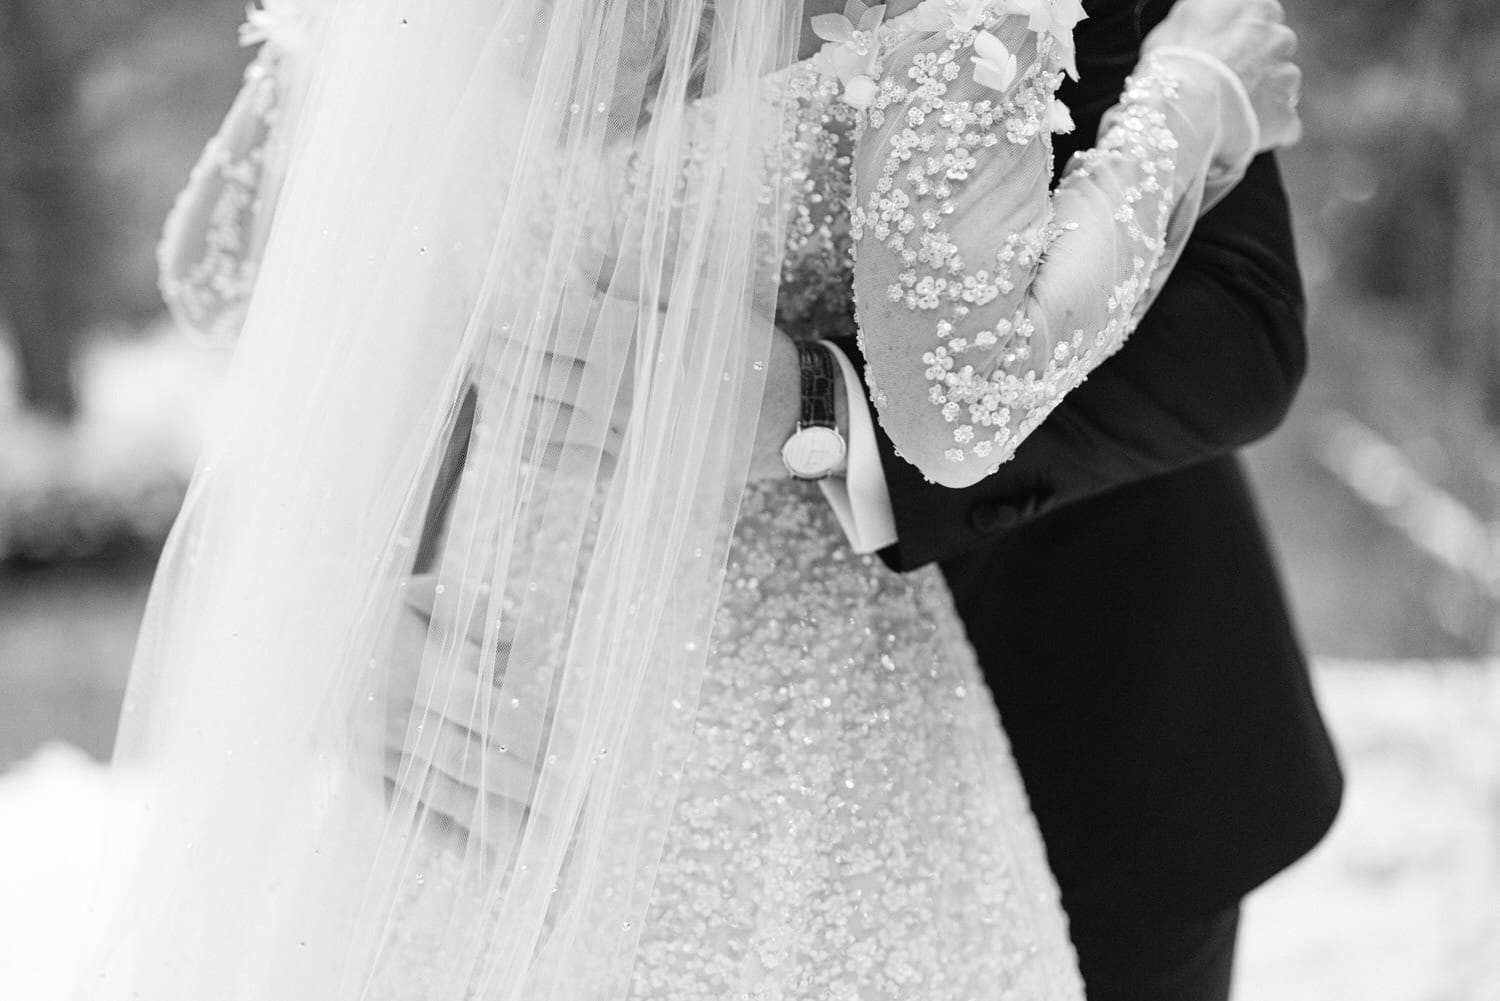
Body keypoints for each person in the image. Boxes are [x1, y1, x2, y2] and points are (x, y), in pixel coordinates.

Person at [83, 0, 1306, 998]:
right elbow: (351, 275)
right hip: (529, 713)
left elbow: (1242, 325)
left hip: (1092, 689)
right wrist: (347, 582)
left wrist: (808, 413)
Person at [747, 1, 1344, 998]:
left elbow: (1242, 323)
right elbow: (455, 242)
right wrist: (401, 578)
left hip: (1086, 710)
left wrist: (823, 413)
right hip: (638, 720)